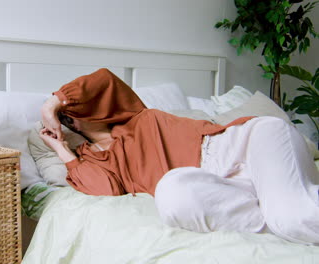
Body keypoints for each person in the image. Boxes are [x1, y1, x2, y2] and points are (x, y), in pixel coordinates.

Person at [39, 68, 319, 245]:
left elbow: (103, 79)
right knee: (172, 196)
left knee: (291, 218)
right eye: (64, 119)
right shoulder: (93, 159)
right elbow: (105, 189)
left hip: (246, 143)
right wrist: (63, 150)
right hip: (216, 185)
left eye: (69, 113)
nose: (68, 118)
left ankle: (285, 215)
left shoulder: (133, 116)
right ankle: (280, 210)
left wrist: (53, 104)